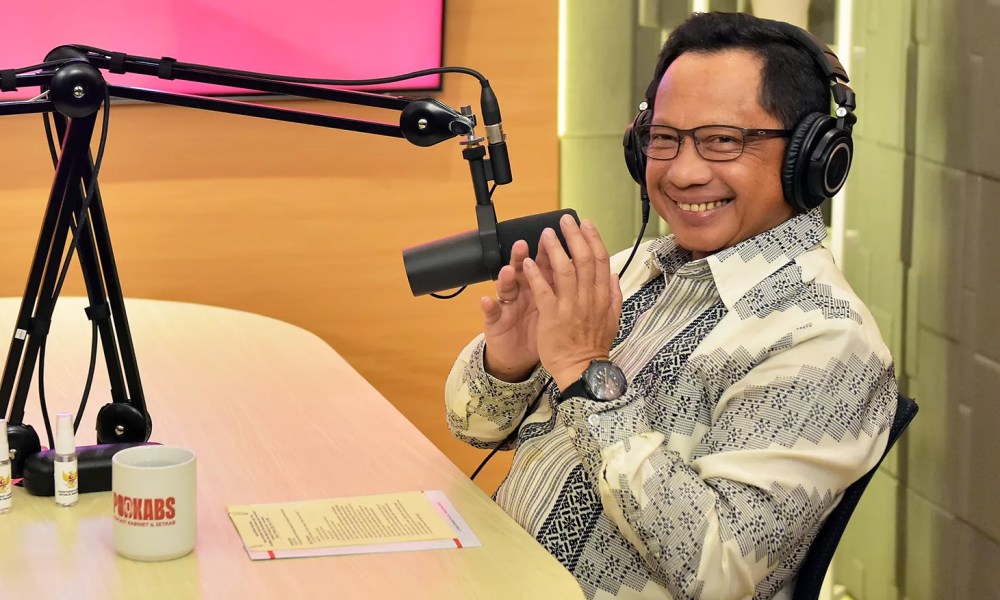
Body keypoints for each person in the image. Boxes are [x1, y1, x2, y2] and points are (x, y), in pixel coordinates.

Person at [445, 11, 897, 600]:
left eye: (723, 140)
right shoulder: (635, 268)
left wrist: (585, 373)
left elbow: (716, 571)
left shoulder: (827, 340)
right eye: (664, 138)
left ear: (812, 156)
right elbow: (473, 426)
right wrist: (510, 362)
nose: (682, 172)